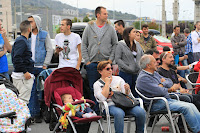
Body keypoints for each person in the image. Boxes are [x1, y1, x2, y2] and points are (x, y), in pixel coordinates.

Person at [136, 54, 200, 133]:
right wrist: (163, 84)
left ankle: (198, 128)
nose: (157, 63)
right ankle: (197, 130)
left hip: (165, 99)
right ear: (148, 65)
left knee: (191, 105)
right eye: (154, 62)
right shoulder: (143, 78)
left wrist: (162, 84)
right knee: (186, 107)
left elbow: (169, 81)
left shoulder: (154, 73)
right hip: (155, 104)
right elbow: (161, 91)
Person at [81, 6, 118, 112]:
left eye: (107, 13)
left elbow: (115, 44)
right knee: (94, 87)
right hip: (92, 63)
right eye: (105, 13)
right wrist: (87, 60)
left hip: (106, 63)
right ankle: (96, 110)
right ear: (98, 15)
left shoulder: (110, 28)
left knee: (108, 85)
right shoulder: (89, 27)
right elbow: (84, 44)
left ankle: (107, 109)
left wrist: (110, 59)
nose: (107, 15)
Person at [93, 61, 145, 133]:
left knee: (140, 111)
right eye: (107, 69)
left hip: (124, 104)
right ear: (100, 71)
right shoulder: (97, 84)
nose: (110, 70)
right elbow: (102, 98)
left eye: (111, 68)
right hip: (109, 106)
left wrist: (127, 90)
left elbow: (126, 95)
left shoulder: (118, 79)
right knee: (119, 113)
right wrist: (107, 83)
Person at [28, 15, 53, 123]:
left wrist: (45, 64)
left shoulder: (44, 34)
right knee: (32, 91)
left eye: (31, 22)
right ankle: (34, 114)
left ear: (37, 22)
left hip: (41, 67)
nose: (30, 24)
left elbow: (49, 50)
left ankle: (44, 113)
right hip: (30, 67)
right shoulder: (27, 35)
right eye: (28, 22)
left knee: (43, 91)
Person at [115, 27, 143, 97]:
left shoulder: (137, 44)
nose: (136, 34)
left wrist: (140, 67)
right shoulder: (120, 44)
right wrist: (126, 67)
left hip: (136, 72)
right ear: (128, 34)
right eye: (134, 32)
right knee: (126, 92)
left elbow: (142, 55)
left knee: (136, 92)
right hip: (125, 73)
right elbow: (118, 59)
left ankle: (137, 105)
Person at [11, 20, 34, 104]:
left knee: (21, 99)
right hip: (22, 76)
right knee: (23, 100)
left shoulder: (20, 40)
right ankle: (22, 117)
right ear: (29, 29)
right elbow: (17, 58)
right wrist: (25, 71)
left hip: (22, 75)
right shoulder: (22, 41)